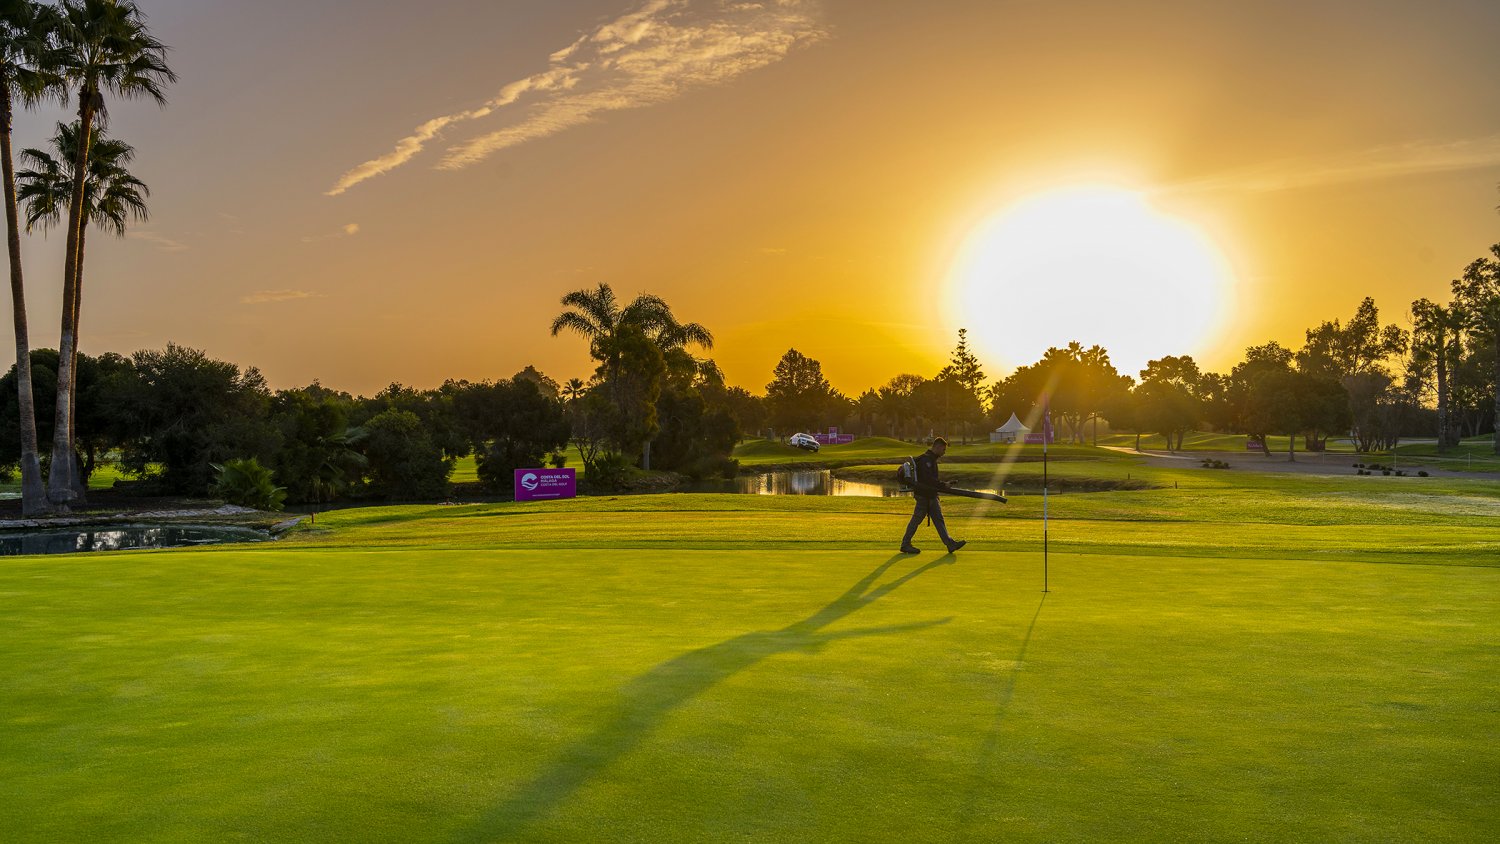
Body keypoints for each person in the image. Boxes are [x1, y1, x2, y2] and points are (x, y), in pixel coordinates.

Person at [900, 437, 966, 554]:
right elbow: (928, 480)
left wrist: (943, 485)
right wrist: (943, 485)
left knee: (938, 519)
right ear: (937, 447)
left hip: (930, 495)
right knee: (917, 519)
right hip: (924, 496)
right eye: (943, 449)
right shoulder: (927, 461)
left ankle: (950, 544)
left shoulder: (930, 459)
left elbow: (930, 480)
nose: (944, 452)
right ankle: (905, 544)